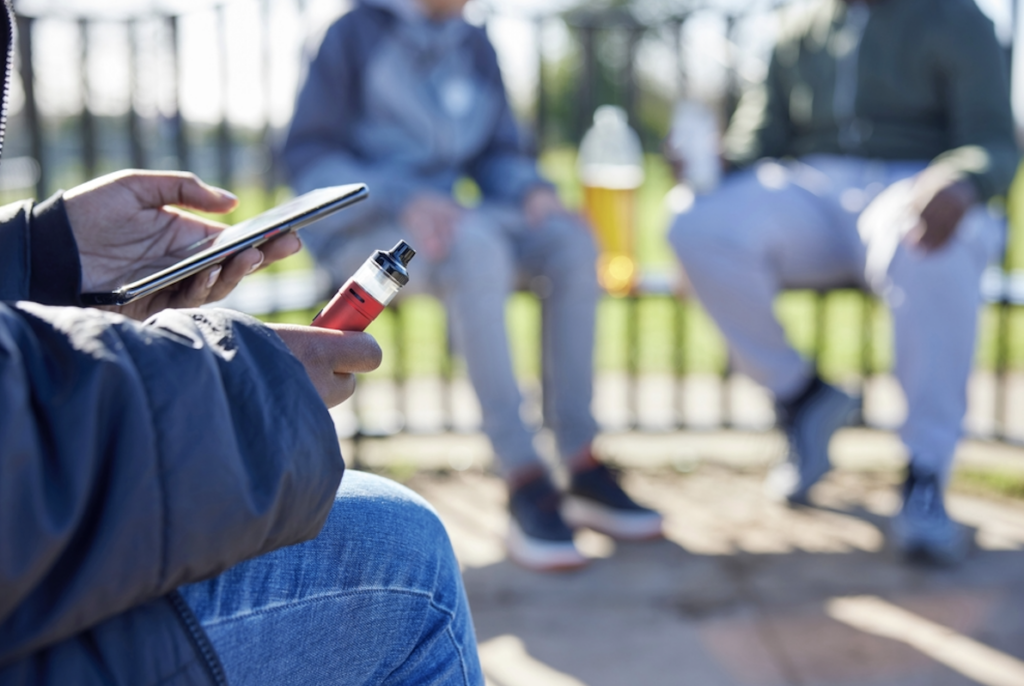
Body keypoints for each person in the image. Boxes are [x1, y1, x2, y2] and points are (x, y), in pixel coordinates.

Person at [0, 3, 482, 683]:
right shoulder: (357, 35)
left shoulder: (473, 42)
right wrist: (247, 385)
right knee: (402, 561)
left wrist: (40, 257)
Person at [282, 0, 663, 571]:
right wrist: (403, 194)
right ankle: (523, 476)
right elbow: (307, 158)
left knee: (570, 240)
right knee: (478, 243)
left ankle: (581, 461)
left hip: (456, 223)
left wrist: (530, 188)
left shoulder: (475, 45)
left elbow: (498, 156)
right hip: (369, 231)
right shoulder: (352, 34)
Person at [669, 0, 1018, 565]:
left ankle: (925, 470)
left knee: (935, 244)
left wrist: (962, 177)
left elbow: (994, 142)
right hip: (812, 189)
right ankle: (804, 398)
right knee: (695, 221)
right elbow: (760, 135)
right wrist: (716, 162)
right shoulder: (797, 23)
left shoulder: (959, 18)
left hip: (914, 184)